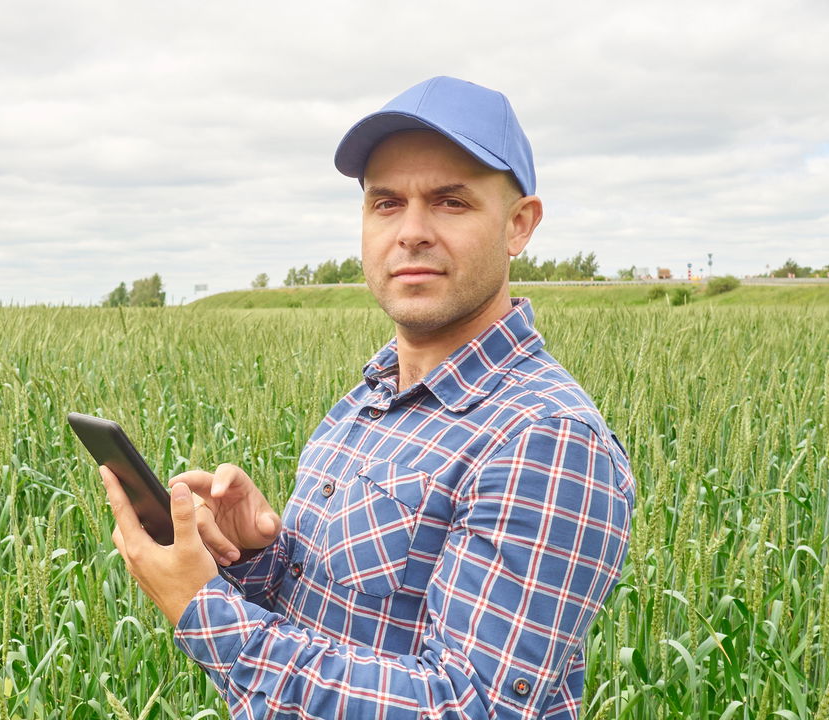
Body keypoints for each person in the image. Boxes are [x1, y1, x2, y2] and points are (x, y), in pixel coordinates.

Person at [102, 76, 635, 719]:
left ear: (519, 225)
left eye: (450, 202)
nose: (411, 231)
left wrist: (203, 610)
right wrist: (252, 560)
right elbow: (342, 624)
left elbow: (469, 706)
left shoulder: (545, 439)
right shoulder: (368, 399)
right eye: (386, 204)